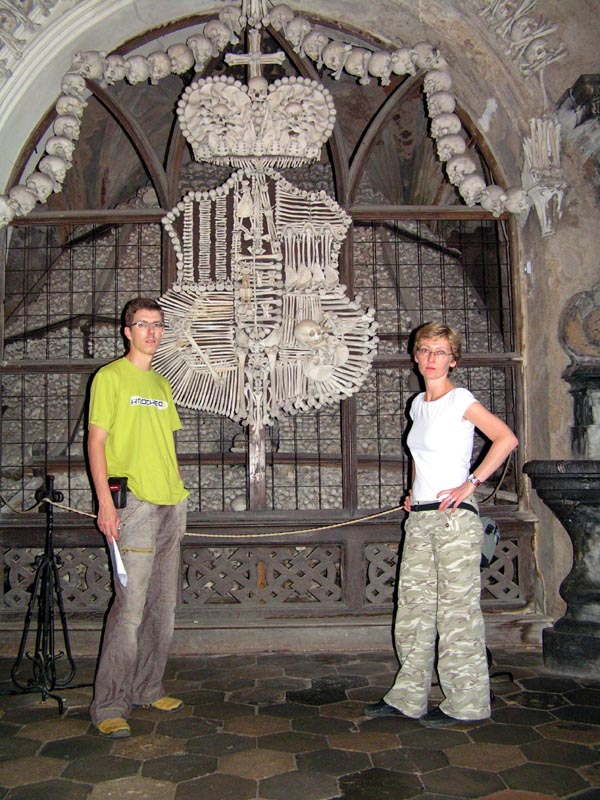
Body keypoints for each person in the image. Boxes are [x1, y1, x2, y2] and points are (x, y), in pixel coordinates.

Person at [364, 322, 518, 728]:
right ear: (415, 356)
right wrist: (414, 491)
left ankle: (466, 703)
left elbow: (505, 439)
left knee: (456, 613)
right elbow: (421, 455)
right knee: (412, 610)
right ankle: (408, 697)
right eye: (425, 350)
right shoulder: (418, 405)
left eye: (440, 352)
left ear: (453, 359)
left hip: (454, 521)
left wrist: (471, 483)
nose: (432, 359)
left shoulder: (460, 399)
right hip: (421, 517)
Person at [88, 297, 189, 739]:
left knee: (163, 608)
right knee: (129, 610)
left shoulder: (162, 386)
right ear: (126, 331)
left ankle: (148, 687)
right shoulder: (109, 377)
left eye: (158, 325)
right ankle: (109, 703)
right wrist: (105, 503)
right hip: (135, 505)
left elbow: (163, 445)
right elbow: (95, 443)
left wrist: (179, 493)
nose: (151, 331)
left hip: (171, 501)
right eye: (142, 324)